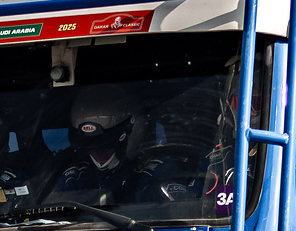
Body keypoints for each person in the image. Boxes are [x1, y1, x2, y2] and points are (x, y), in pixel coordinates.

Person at [45, 85, 194, 208]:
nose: (98, 154)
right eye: (91, 148)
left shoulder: (157, 172)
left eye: (106, 146)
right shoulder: (75, 177)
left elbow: (176, 218)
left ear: (132, 132)